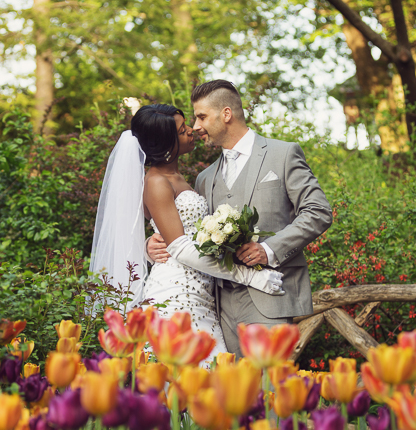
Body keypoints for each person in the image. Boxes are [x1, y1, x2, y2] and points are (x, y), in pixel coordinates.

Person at [147, 81, 333, 356]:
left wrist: (269, 250)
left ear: (225, 114)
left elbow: (318, 211)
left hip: (271, 296)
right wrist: (152, 244)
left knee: (268, 391)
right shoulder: (204, 178)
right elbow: (187, 232)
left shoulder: (283, 154)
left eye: (201, 117)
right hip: (217, 306)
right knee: (232, 394)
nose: (196, 127)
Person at [89, 103, 284, 360]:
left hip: (202, 290)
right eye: (182, 131)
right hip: (176, 291)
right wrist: (249, 276)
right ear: (167, 143)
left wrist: (151, 243)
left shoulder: (181, 177)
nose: (191, 130)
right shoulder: (157, 182)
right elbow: (180, 247)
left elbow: (175, 230)